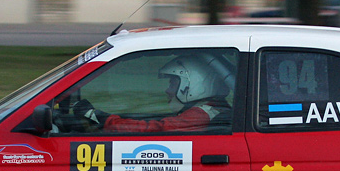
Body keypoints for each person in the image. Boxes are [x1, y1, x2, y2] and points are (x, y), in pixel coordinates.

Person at [72, 54, 232, 132]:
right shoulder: (211, 109)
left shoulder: (200, 115)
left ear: (193, 83)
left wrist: (99, 117)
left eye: (173, 83)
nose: (167, 90)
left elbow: (155, 129)